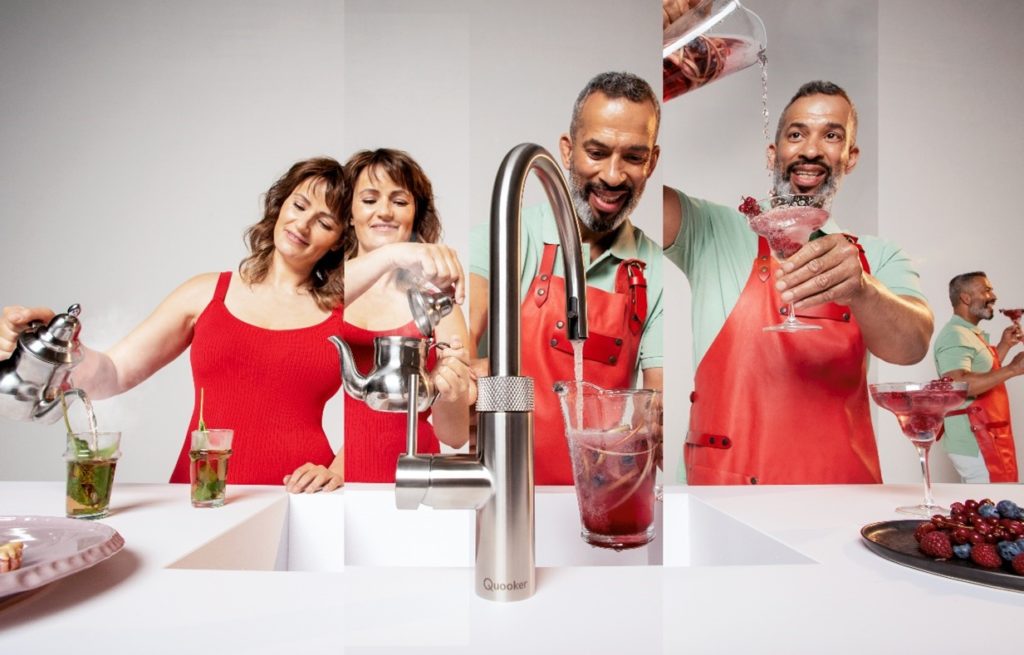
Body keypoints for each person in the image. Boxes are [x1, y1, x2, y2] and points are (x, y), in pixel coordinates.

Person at [0, 157, 467, 493]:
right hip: (199, 491)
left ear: (336, 240)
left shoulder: (340, 309)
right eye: (299, 205)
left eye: (325, 221)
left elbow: (374, 417)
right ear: (280, 205)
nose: (304, 225)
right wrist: (56, 347)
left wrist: (342, 467)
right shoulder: (206, 292)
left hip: (297, 495)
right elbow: (113, 374)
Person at [664, 80, 934, 485]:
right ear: (773, 153)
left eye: (831, 135)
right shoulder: (711, 230)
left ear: (851, 156)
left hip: (840, 499)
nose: (810, 150)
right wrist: (673, 69)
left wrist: (861, 288)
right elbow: (631, 184)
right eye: (796, 134)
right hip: (725, 496)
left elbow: (912, 345)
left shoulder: (878, 256)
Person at [469, 71, 664, 485]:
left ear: (652, 161)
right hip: (506, 492)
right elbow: (459, 357)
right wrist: (472, 379)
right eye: (596, 152)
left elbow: (655, 404)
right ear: (566, 150)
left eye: (632, 157)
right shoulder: (505, 235)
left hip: (602, 496)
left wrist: (649, 430)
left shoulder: (654, 267)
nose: (612, 177)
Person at [339, 148, 474, 482]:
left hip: (418, 472)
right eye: (369, 200)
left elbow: (454, 435)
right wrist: (393, 255)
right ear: (349, 213)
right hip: (332, 476)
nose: (384, 212)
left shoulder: (436, 301)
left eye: (399, 202)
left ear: (415, 214)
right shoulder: (323, 291)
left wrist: (450, 388)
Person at [933, 272, 1023, 482]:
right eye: (986, 290)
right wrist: (1012, 369)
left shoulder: (968, 333)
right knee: (991, 505)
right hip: (976, 440)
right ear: (965, 298)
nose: (993, 296)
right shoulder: (955, 334)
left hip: (989, 434)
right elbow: (959, 384)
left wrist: (1004, 346)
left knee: (996, 504)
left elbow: (982, 374)